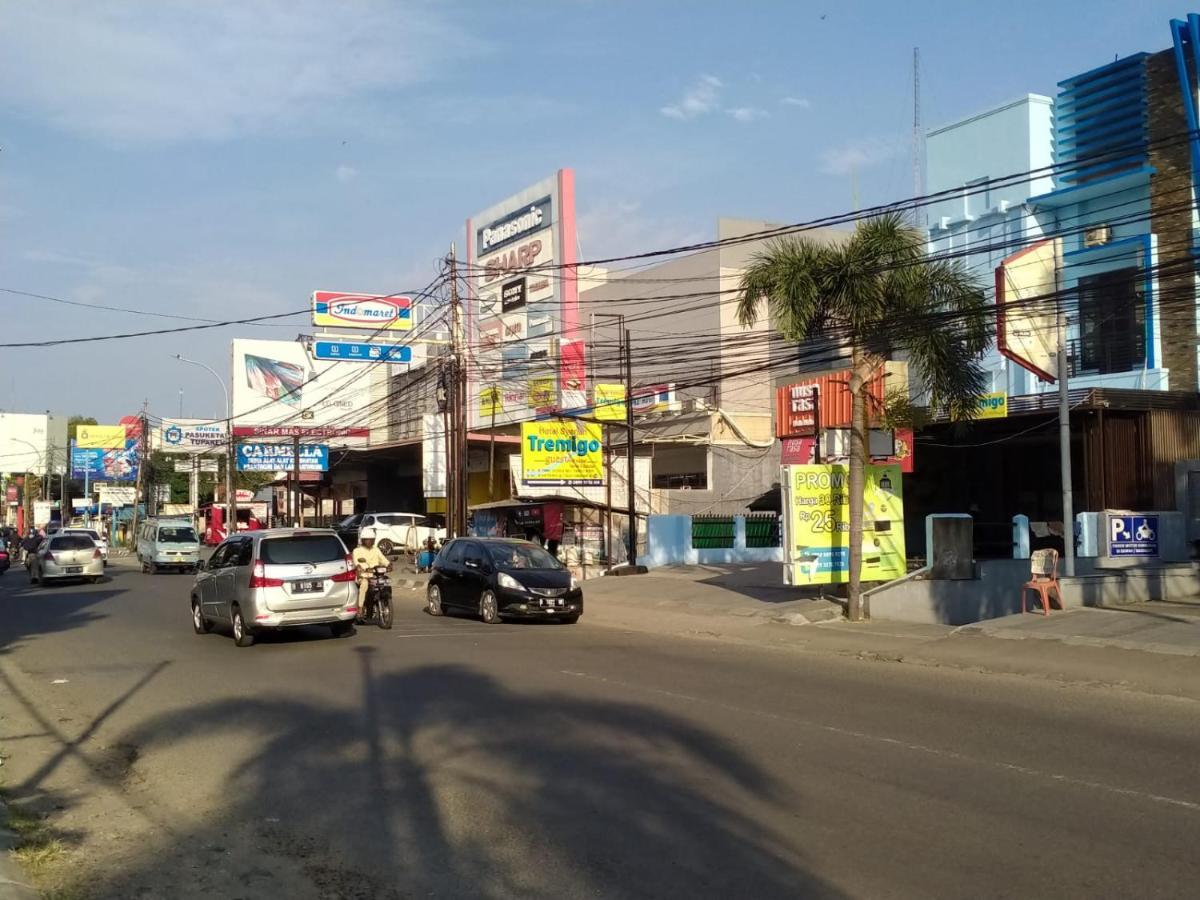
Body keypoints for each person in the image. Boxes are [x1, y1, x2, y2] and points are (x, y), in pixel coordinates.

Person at [352, 528, 391, 618]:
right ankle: (360, 608)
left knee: (386, 582)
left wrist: (388, 564)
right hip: (363, 576)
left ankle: (385, 601)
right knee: (364, 584)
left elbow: (383, 559)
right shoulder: (357, 551)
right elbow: (356, 562)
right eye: (367, 539)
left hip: (376, 576)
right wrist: (360, 567)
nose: (370, 541)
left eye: (371, 539)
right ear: (363, 540)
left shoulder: (376, 550)